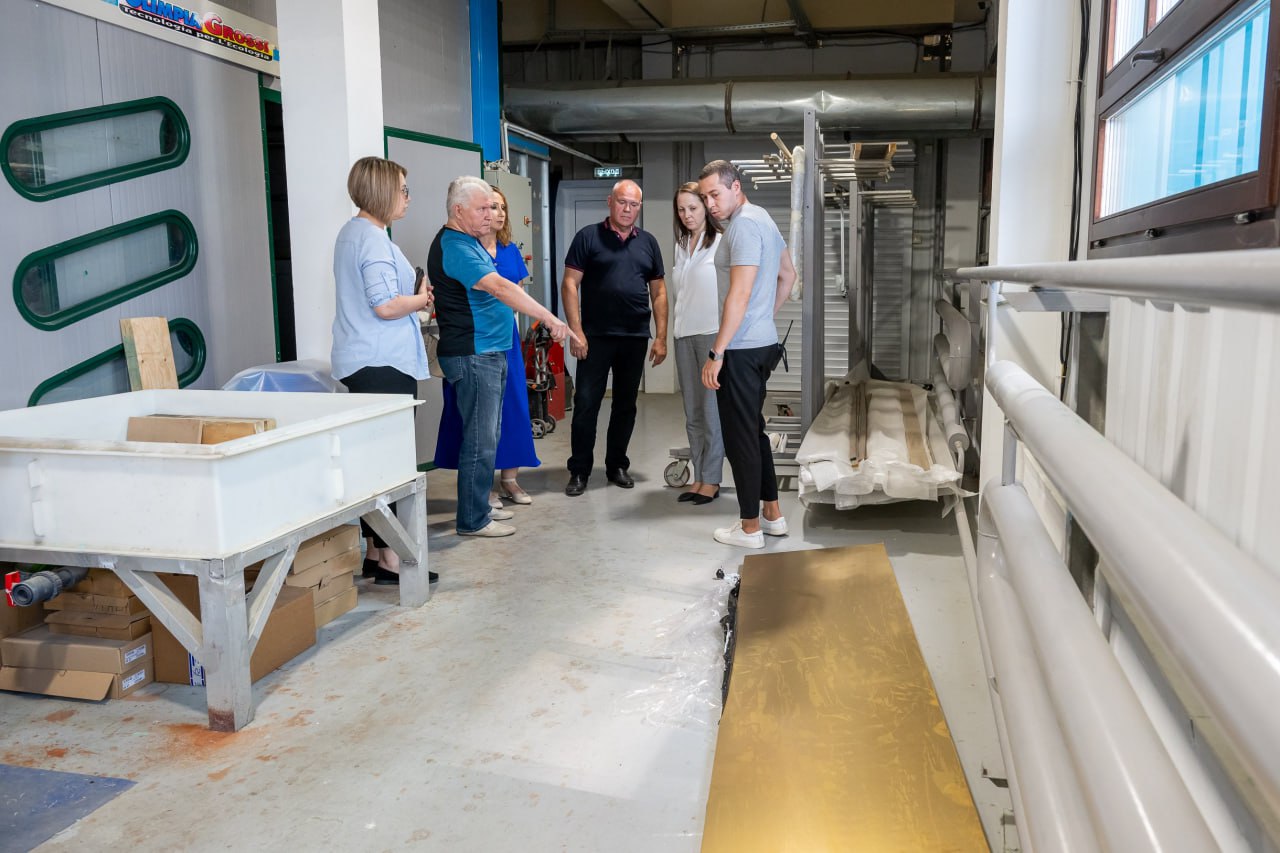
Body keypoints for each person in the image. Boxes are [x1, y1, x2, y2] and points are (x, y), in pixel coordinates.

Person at [429, 176, 572, 537]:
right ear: (458, 210)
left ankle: (478, 509)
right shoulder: (456, 246)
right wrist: (549, 317)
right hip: (474, 353)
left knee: (487, 436)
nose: (488, 214)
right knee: (479, 439)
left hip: (489, 351)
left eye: (491, 207)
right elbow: (498, 287)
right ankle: (473, 519)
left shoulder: (469, 242)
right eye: (481, 208)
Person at [331, 156, 436, 585]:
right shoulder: (373, 240)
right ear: (382, 192)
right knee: (388, 463)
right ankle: (393, 557)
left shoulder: (351, 233)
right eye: (403, 190)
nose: (408, 198)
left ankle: (376, 553)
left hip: (364, 359)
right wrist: (422, 299)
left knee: (371, 459)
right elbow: (386, 305)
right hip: (382, 362)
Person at [697, 159, 798, 549]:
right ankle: (772, 514)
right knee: (754, 432)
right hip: (762, 343)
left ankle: (750, 527)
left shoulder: (742, 226)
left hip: (739, 349)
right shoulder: (764, 219)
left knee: (740, 439)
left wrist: (716, 351)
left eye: (715, 195)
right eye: (705, 197)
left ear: (735, 186)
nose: (710, 204)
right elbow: (788, 275)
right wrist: (764, 317)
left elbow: (738, 294)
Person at [561, 179, 668, 497]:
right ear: (610, 201)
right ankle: (579, 470)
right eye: (622, 202)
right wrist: (576, 331)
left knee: (626, 405)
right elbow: (570, 284)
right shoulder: (588, 237)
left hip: (634, 337)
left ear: (639, 207)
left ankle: (616, 465)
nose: (627, 209)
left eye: (634, 204)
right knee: (586, 404)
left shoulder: (648, 242)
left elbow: (659, 292)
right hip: (594, 337)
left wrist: (661, 336)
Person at [434, 185, 540, 505]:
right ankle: (484, 489)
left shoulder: (509, 251)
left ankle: (510, 479)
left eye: (501, 208)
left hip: (505, 338)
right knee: (477, 417)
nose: (497, 213)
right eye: (490, 207)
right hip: (473, 342)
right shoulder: (465, 247)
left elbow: (517, 294)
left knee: (512, 407)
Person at [670, 182, 725, 506]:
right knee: (692, 412)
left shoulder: (720, 243)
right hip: (683, 335)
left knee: (711, 411)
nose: (687, 215)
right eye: (681, 209)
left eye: (692, 208)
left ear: (705, 206)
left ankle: (712, 479)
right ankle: (699, 475)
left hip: (710, 335)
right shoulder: (681, 244)